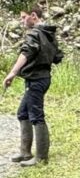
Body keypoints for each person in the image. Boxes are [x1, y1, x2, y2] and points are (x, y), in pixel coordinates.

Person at [4, 8, 61, 167]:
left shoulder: (35, 33)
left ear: (34, 16)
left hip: (36, 80)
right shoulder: (49, 33)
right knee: (23, 113)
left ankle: (41, 158)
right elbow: (57, 57)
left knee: (36, 116)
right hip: (42, 78)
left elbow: (26, 52)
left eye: (24, 17)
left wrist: (12, 73)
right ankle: (25, 152)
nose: (22, 21)